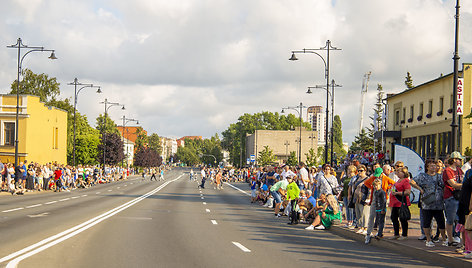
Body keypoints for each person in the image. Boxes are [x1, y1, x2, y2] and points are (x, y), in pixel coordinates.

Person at [410, 159, 447, 247]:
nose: (434, 167)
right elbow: (411, 181)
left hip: (438, 204)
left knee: (441, 222)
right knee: (427, 222)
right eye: (432, 166)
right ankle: (428, 239)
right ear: (427, 167)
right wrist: (420, 189)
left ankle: (444, 239)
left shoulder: (439, 176)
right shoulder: (422, 176)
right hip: (427, 203)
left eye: (435, 165)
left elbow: (444, 186)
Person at [364, 167, 395, 240]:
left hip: (383, 198)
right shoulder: (373, 178)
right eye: (376, 175)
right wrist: (371, 187)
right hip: (375, 198)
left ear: (382, 173)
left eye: (379, 175)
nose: (377, 176)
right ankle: (369, 232)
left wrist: (387, 187)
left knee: (381, 217)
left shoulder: (386, 178)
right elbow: (366, 183)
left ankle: (380, 232)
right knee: (371, 215)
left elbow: (394, 184)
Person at [443, 151, 464, 246]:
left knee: (459, 219)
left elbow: (463, 180)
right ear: (454, 160)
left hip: (459, 196)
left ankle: (457, 237)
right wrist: (465, 185)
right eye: (459, 159)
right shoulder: (448, 171)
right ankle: (450, 239)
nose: (461, 161)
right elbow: (453, 184)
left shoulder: (459, 170)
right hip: (450, 197)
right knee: (450, 219)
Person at [389, 166, 411, 240]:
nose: (397, 173)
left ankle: (404, 234)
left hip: (401, 202)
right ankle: (396, 233)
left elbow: (408, 192)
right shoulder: (398, 180)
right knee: (394, 217)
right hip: (395, 202)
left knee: (402, 218)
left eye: (399, 172)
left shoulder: (406, 181)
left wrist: (397, 193)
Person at [457, 168, 472, 258]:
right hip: (464, 204)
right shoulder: (469, 172)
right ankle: (467, 248)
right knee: (467, 228)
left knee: (469, 228)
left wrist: (470, 206)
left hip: (468, 206)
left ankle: (469, 249)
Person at [366, 179, 387, 244]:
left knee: (381, 221)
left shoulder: (382, 192)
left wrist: (383, 209)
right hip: (377, 208)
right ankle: (379, 232)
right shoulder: (375, 192)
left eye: (377, 185)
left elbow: (384, 201)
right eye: (374, 186)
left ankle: (380, 233)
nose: (376, 187)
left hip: (381, 208)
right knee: (377, 221)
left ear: (380, 185)